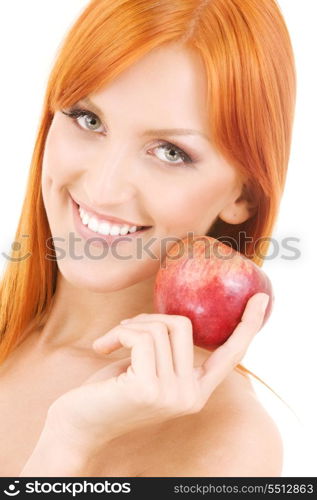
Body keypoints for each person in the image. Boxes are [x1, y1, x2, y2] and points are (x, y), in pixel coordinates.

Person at [0, 0, 296, 477]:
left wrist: (71, 441)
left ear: (242, 196)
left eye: (170, 152)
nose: (103, 188)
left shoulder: (228, 448)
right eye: (88, 119)